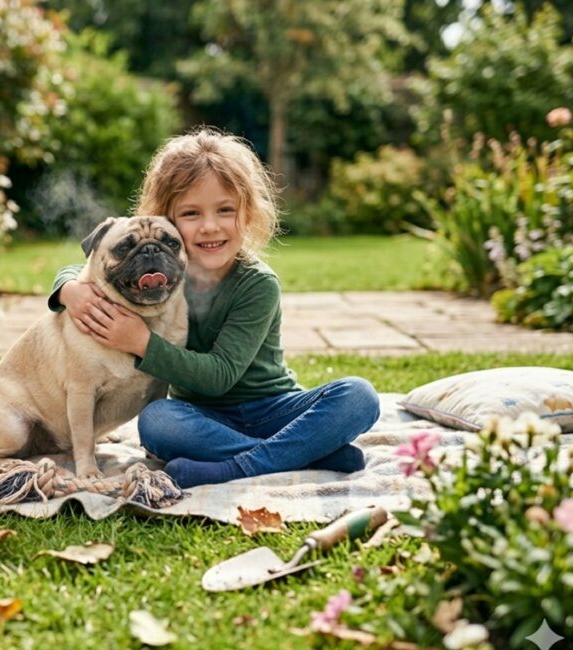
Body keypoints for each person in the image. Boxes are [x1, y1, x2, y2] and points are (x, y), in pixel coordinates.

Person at [47, 128, 380, 488]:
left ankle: (236, 467)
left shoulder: (257, 284)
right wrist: (68, 289)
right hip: (199, 418)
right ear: (166, 221)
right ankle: (306, 454)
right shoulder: (160, 276)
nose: (209, 226)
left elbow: (220, 376)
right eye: (191, 213)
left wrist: (142, 343)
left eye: (225, 210)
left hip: (274, 409)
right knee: (156, 421)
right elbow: (92, 263)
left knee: (359, 395)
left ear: (248, 214)